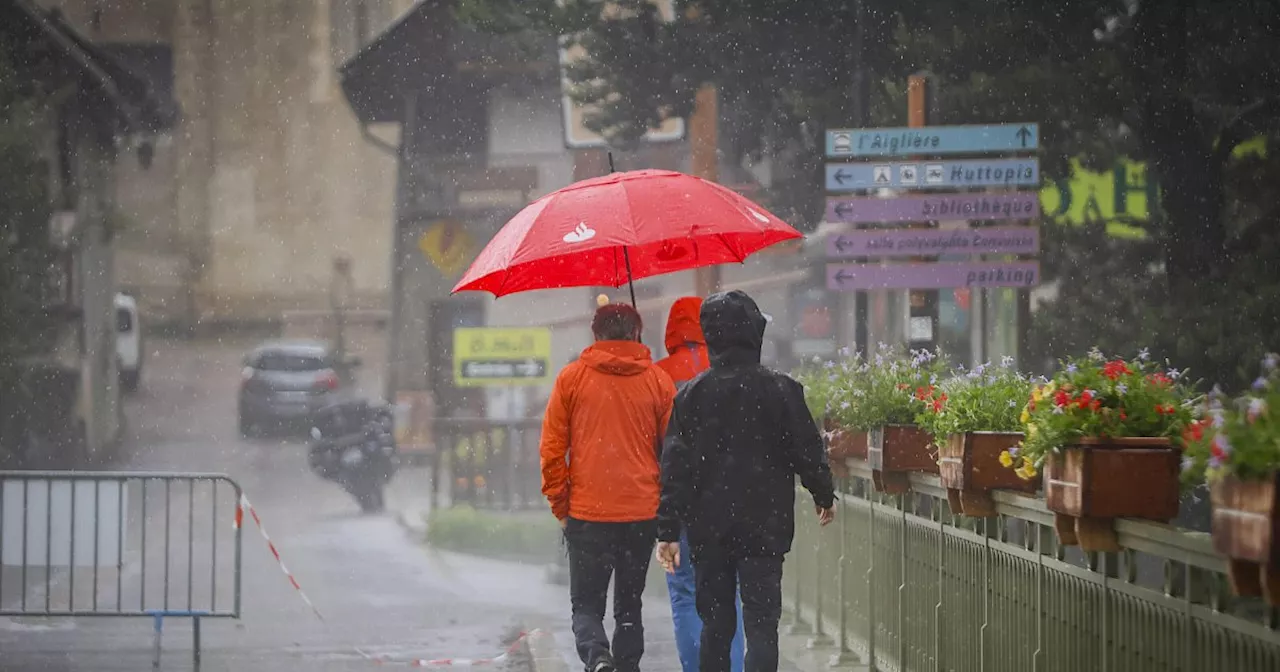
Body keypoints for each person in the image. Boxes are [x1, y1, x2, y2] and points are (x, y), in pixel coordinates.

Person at [655, 290, 836, 672]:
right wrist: (822, 492)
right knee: (761, 626)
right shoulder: (781, 390)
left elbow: (676, 468)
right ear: (754, 334)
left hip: (709, 529)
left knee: (716, 628)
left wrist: (668, 529)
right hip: (764, 526)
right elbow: (805, 447)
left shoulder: (690, 397)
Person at [540, 303, 678, 672]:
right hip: (641, 512)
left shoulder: (571, 380)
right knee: (630, 604)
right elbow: (672, 451)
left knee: (586, 605)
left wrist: (561, 506)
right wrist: (665, 505)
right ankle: (628, 664)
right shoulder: (658, 381)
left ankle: (597, 655)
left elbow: (553, 451)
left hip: (587, 512)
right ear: (636, 333)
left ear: (596, 335)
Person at [654, 297, 746, 672]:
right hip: (731, 499)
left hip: (680, 499)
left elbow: (658, 443)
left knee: (685, 591)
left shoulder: (658, 375)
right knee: (730, 593)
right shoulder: (731, 368)